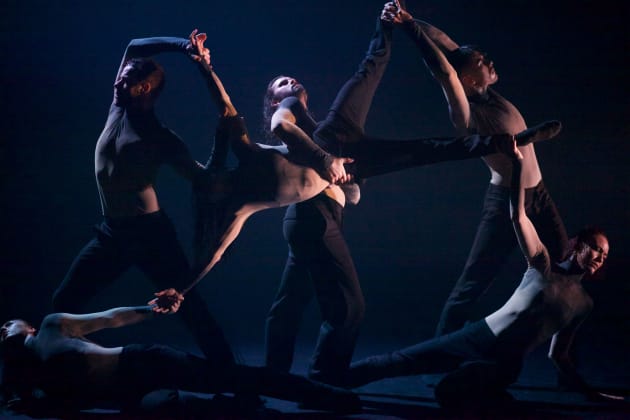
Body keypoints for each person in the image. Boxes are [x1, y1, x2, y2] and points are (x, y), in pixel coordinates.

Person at [262, 3, 561, 386]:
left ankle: (272, 379)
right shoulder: (288, 111)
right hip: (316, 204)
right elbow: (278, 125)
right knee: (348, 307)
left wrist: (346, 176)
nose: (290, 83)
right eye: (281, 83)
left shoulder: (313, 124)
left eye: (290, 80)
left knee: (291, 302)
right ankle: (324, 378)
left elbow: (350, 194)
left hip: (321, 202)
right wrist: (327, 160)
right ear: (274, 99)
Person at [343, 140, 624, 407]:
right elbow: (518, 217)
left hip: (504, 365)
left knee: (448, 395)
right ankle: (330, 379)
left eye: (605, 255)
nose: (600, 257)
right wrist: (516, 168)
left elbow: (558, 355)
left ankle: (485, 390)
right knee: (400, 360)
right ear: (576, 244)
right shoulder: (543, 264)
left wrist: (592, 393)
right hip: (478, 338)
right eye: (596, 248)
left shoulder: (584, 303)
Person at [49, 35, 238, 366]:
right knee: (64, 302)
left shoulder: (160, 137)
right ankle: (68, 368)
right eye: (121, 77)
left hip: (150, 236)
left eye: (126, 79)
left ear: (144, 88)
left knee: (191, 309)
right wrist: (186, 47)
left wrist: (222, 142)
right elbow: (136, 45)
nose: (118, 80)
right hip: (112, 234)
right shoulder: (118, 104)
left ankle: (238, 385)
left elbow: (203, 179)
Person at [390, 4, 569, 336]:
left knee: (566, 265)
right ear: (468, 79)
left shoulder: (488, 94)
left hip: (539, 193)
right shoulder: (466, 110)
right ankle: (438, 355)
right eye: (482, 62)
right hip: (507, 202)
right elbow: (444, 71)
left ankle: (562, 350)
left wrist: (409, 19)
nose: (489, 62)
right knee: (474, 281)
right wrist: (410, 32)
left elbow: (447, 44)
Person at [0, 304, 361, 417]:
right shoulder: (33, 378)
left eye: (6, 324)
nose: (4, 328)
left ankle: (330, 396)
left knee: (237, 377)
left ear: (27, 327)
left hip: (144, 363)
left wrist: (151, 309)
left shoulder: (50, 328)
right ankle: (248, 411)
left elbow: (111, 319)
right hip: (130, 394)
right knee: (185, 408)